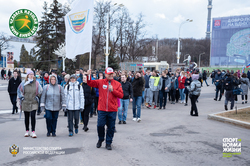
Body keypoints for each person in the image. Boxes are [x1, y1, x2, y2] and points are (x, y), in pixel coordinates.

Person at [86, 67, 123, 150]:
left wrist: (113, 90)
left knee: (111, 127)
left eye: (111, 74)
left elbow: (121, 95)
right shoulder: (100, 82)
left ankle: (108, 142)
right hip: (102, 109)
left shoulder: (117, 84)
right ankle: (101, 139)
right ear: (105, 74)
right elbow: (90, 83)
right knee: (100, 125)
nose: (110, 75)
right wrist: (88, 75)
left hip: (112, 109)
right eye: (109, 74)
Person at [17, 69, 43, 138]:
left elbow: (40, 90)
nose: (31, 75)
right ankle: (27, 130)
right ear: (27, 75)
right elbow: (19, 90)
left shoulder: (36, 83)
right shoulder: (23, 83)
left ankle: (33, 131)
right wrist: (21, 97)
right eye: (30, 74)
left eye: (32, 74)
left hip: (33, 102)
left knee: (33, 116)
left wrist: (37, 96)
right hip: (26, 102)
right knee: (26, 117)